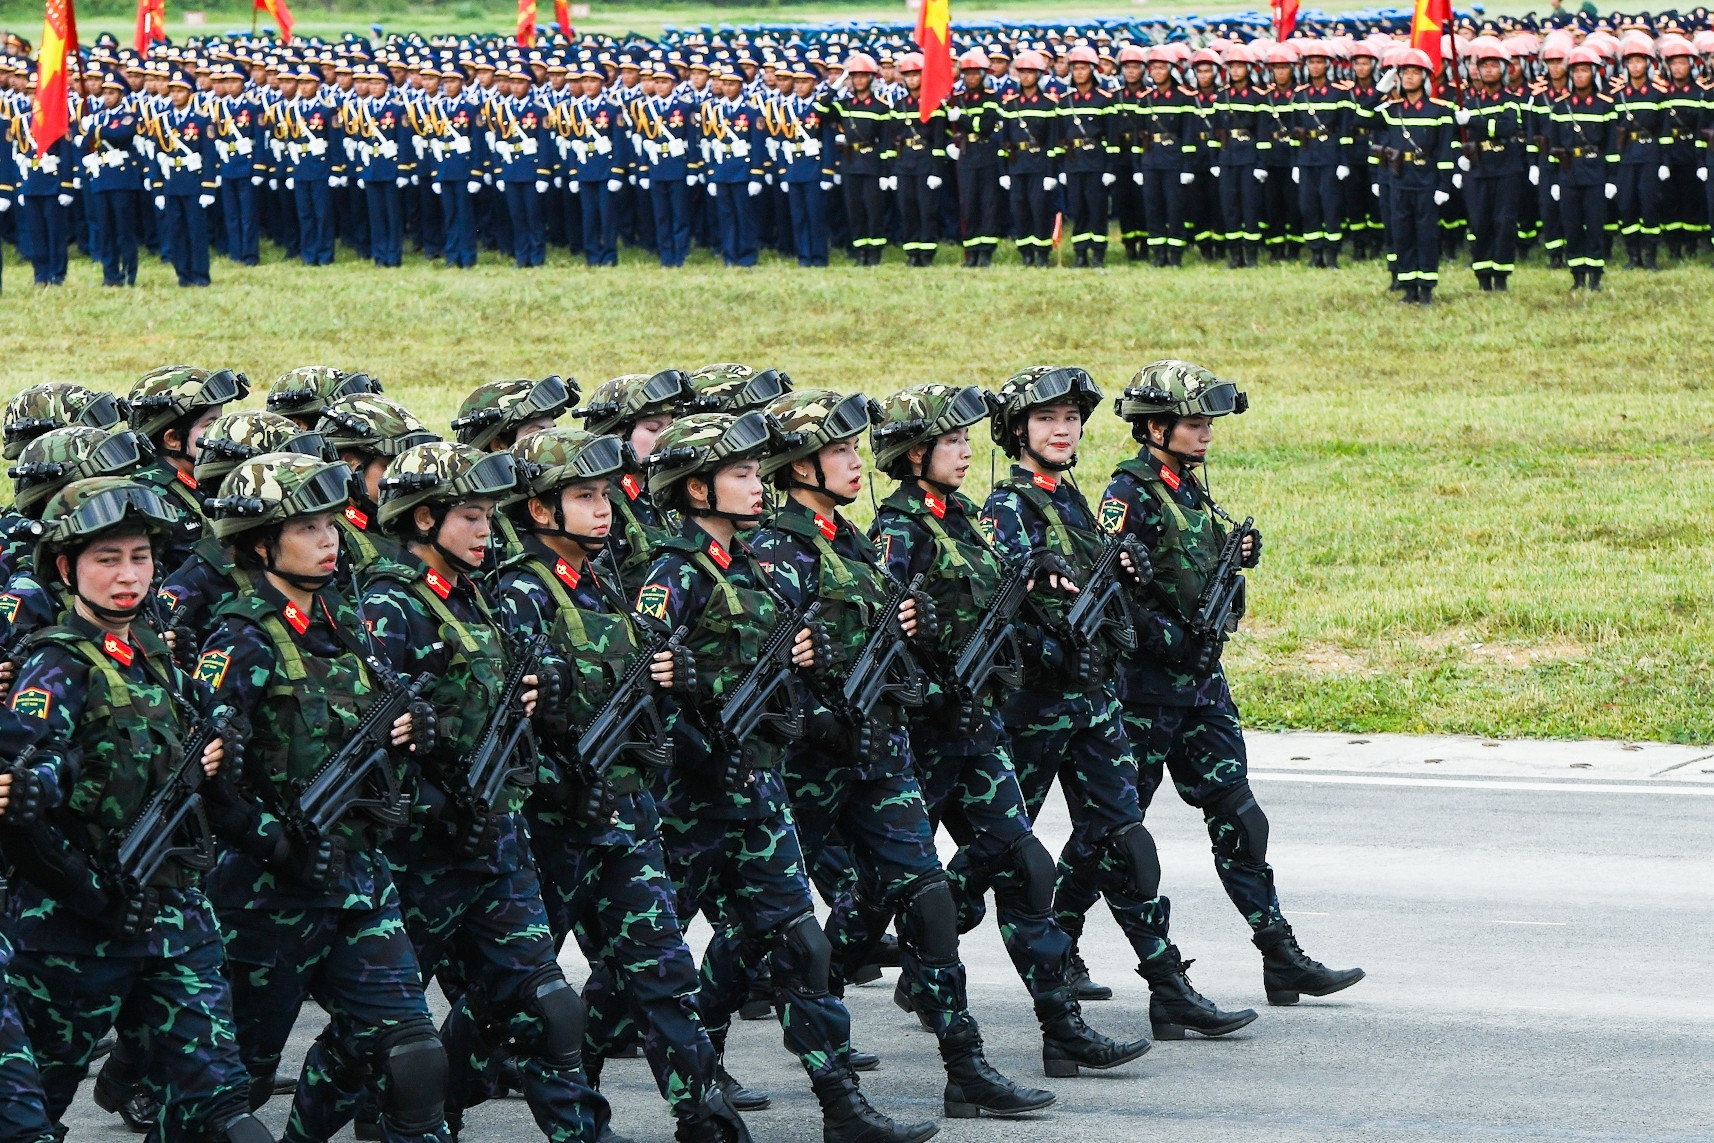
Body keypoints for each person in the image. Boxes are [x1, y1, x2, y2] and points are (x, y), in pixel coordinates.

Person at [752, 388, 1057, 1122]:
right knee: (762, 930)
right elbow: (763, 672)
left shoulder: (848, 540)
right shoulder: (778, 551)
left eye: (857, 450)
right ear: (799, 468)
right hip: (814, 764)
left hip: (881, 753)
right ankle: (688, 1051)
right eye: (838, 452)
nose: (856, 462)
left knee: (928, 898)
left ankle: (963, 1063)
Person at [632, 412, 933, 1143]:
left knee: (805, 946)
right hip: (689, 808)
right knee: (635, 974)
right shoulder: (670, 579)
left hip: (759, 794)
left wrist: (808, 670)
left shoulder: (755, 568)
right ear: (696, 488)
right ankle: (517, 1083)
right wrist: (697, 736)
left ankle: (841, 1106)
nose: (755, 485)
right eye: (738, 474)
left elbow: (780, 683)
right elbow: (636, 703)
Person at [868, 383, 1153, 1079]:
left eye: (968, 440)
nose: (965, 452)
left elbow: (999, 615)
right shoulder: (898, 531)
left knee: (1027, 866)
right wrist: (944, 687)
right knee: (873, 906)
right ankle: (817, 983)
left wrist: (1051, 578)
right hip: (930, 735)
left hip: (982, 726)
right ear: (914, 454)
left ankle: (1060, 1030)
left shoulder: (963, 517)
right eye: (951, 441)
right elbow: (879, 649)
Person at [979, 366, 1256, 1041]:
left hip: (1093, 704)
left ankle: (1167, 985)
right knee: (995, 856)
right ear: (1018, 430)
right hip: (1036, 710)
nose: (1064, 428)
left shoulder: (1069, 499)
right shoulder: (1006, 506)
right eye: (1047, 419)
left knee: (1125, 842)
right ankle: (881, 952)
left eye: (1072, 418)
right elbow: (1019, 608)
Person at [494, 428, 751, 1143]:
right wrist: (558, 788)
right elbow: (507, 730)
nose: (603, 509)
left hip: (626, 813)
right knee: (518, 992)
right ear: (542, 509)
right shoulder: (519, 594)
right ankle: (435, 1103)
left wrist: (676, 690)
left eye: (604, 494)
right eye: (583, 496)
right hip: (553, 825)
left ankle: (705, 1118)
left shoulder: (600, 579)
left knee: (663, 969)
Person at [0, 477, 274, 1143]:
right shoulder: (56, 666)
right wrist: (90, 890)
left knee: (223, 1113)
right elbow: (24, 789)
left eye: (141, 557)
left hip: (175, 921)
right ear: (66, 569)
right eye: (107, 559)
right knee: (31, 1110)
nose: (129, 576)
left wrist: (218, 749)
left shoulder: (153, 655)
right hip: (71, 934)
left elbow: (210, 731)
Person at [192, 452, 450, 1143]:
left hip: (359, 878)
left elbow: (381, 726)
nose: (328, 538)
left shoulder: (344, 626)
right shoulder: (240, 641)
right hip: (266, 895)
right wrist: (271, 840)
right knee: (227, 1093)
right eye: (305, 526)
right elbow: (201, 775)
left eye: (330, 523)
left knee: (413, 1056)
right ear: (258, 542)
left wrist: (414, 728)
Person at [365, 441, 608, 1141]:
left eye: (487, 516)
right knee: (378, 1032)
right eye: (470, 516)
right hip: (423, 849)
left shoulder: (476, 593)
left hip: (496, 837)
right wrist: (439, 806)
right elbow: (368, 743)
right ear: (422, 520)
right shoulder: (392, 606)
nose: (485, 530)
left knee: (550, 1005)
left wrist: (547, 684)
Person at [1104, 360, 1365, 1007]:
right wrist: (1175, 642)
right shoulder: (1129, 492)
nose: (1207, 433)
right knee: (1109, 834)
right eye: (1194, 422)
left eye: (1208, 422)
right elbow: (1114, 598)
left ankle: (1280, 954)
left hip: (1199, 687)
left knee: (1239, 815)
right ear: (1155, 426)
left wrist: (1235, 563)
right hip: (1145, 693)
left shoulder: (1191, 488)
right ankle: (1063, 946)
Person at [125, 365, 249, 571]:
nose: (221, 432)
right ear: (172, 439)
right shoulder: (149, 497)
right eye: (210, 424)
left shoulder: (209, 478)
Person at [1377, 50, 1457, 304]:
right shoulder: (1391, 110)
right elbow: (1361, 119)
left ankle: (1426, 288)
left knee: (1426, 235)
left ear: (1424, 77)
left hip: (1426, 180)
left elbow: (1445, 150)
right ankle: (1409, 286)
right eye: (1404, 73)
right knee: (1402, 234)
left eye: (1414, 72)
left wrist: (1444, 184)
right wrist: (1381, 90)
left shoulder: (1439, 110)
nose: (1409, 77)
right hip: (1400, 179)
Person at [1457, 38, 1528, 290]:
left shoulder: (1511, 99)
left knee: (1504, 222)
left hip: (1506, 168)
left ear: (1503, 70)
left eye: (1493, 66)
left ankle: (1501, 275)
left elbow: (1507, 127)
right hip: (1477, 168)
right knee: (1479, 222)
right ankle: (1482, 273)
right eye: (1483, 66)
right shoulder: (1466, 100)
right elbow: (1458, 135)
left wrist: (1473, 122)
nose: (1488, 70)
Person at [1546, 45, 1618, 290]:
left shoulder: (1605, 105)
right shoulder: (1560, 106)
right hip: (1568, 172)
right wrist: (1554, 178)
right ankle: (1577, 274)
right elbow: (1553, 145)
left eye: (1584, 70)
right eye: (1575, 70)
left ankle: (1595, 274)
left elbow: (1611, 146)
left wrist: (1611, 179)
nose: (1579, 75)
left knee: (1595, 224)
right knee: (1572, 225)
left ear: (1595, 74)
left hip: (1595, 171)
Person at [152, 69, 217, 286]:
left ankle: (200, 274)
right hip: (171, 183)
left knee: (196, 231)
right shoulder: (162, 122)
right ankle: (182, 272)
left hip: (194, 183)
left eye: (180, 91)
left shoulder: (201, 120)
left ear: (190, 93)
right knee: (176, 231)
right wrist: (158, 188)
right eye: (173, 91)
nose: (176, 95)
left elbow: (209, 157)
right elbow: (157, 157)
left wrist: (208, 188)